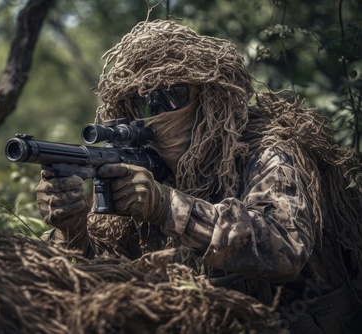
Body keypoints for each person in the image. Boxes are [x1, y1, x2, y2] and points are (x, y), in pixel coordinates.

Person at [35, 20, 362, 333]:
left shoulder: (266, 152)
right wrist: (72, 228)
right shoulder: (143, 169)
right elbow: (105, 275)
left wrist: (166, 207)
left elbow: (285, 248)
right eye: (144, 104)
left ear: (209, 96)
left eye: (173, 95)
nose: (159, 113)